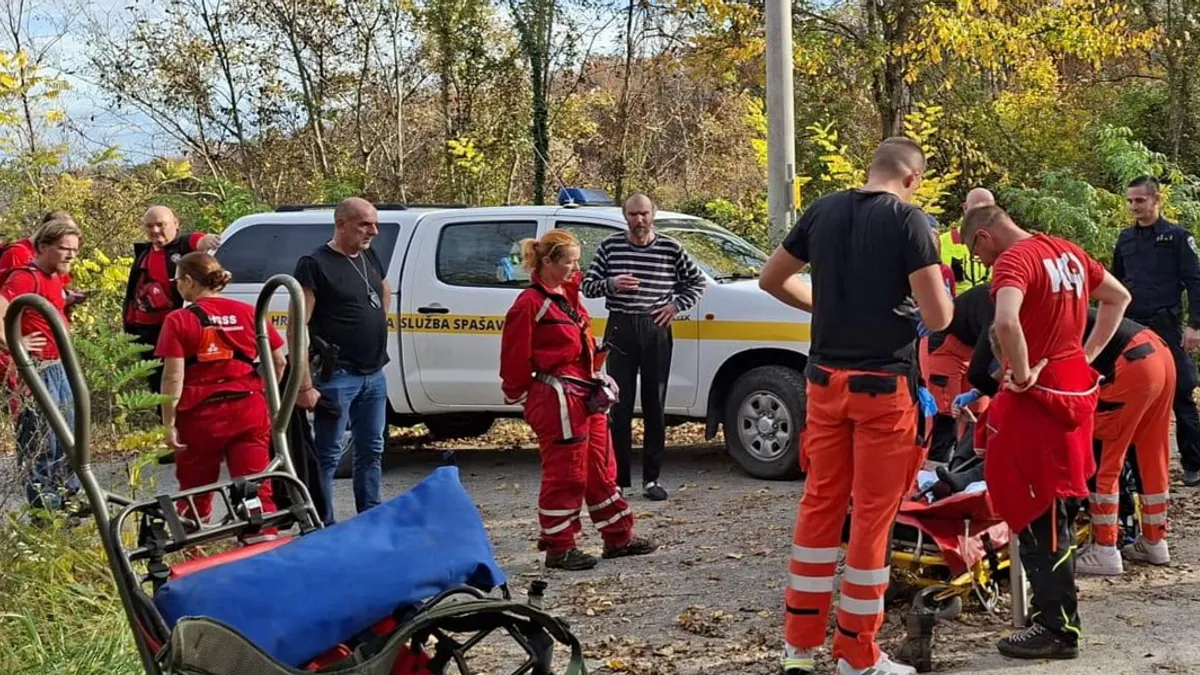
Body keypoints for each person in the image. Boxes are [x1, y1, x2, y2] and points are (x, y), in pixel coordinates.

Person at [758, 137, 953, 675]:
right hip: (883, 390)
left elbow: (771, 279)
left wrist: (828, 304)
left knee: (819, 510)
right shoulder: (909, 223)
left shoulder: (822, 210)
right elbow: (937, 319)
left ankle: (798, 648)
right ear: (912, 178)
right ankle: (857, 655)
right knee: (871, 521)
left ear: (872, 168)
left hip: (823, 384)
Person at [960, 204, 1130, 660]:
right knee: (1059, 506)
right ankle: (1053, 619)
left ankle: (1056, 628)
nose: (989, 268)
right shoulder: (1069, 252)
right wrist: (1085, 355)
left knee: (1038, 510)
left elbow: (1006, 320)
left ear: (983, 239)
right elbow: (1118, 298)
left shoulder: (1015, 261)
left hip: (1037, 400)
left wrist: (1019, 371)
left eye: (983, 259)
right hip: (1072, 392)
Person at [965, 308, 1174, 576]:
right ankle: (1155, 540)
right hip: (1158, 353)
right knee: (1152, 453)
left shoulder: (1028, 328)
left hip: (1125, 366)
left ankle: (1105, 549)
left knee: (1103, 458)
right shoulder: (1047, 306)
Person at [500, 229, 657, 570]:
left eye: (576, 260)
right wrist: (520, 393)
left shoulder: (568, 293)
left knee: (601, 468)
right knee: (566, 473)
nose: (576, 267)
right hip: (557, 398)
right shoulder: (529, 304)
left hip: (585, 394)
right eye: (569, 261)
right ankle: (559, 547)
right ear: (547, 262)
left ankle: (619, 537)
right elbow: (514, 357)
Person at [580, 192, 707, 501]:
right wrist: (611, 283)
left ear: (654, 214)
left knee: (655, 405)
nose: (639, 220)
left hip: (655, 329)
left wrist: (675, 306)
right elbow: (587, 285)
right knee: (619, 407)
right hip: (621, 326)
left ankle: (652, 479)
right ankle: (619, 480)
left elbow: (697, 283)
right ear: (625, 215)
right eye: (634, 214)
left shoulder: (670, 247)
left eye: (645, 213)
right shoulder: (610, 246)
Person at [155, 252, 287, 536]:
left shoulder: (178, 320)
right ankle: (261, 548)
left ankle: (195, 554)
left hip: (200, 417)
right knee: (255, 488)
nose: (176, 285)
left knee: (195, 494)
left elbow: (173, 376)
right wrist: (262, 393)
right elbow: (279, 360)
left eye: (177, 280)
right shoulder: (249, 311)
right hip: (248, 409)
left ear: (189, 281)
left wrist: (169, 423)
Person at [294, 197, 391, 525]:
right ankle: (322, 522)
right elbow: (297, 325)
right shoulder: (314, 264)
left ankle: (370, 513)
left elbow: (382, 290)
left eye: (374, 224)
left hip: (374, 373)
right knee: (329, 453)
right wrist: (304, 384)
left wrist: (377, 322)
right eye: (365, 224)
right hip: (338, 376)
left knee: (373, 448)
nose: (373, 231)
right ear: (341, 224)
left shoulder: (369, 255)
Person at [1111, 176, 1200, 486]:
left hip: (1167, 324)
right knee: (1132, 396)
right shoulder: (1125, 240)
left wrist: (1195, 326)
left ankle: (1193, 462)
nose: (1135, 206)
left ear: (1156, 200)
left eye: (1140, 200)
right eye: (1130, 201)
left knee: (1182, 392)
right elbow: (1116, 286)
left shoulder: (1177, 237)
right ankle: (1134, 470)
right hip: (1133, 328)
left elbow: (1195, 283)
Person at [0, 218, 83, 512]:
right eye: (64, 249)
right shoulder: (25, 276)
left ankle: (68, 505)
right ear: (44, 246)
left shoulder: (54, 276)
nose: (71, 255)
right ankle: (45, 514)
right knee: (42, 445)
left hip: (60, 367)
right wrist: (14, 343)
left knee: (70, 441)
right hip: (37, 371)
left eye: (74, 249)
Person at [122, 206, 221, 398]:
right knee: (157, 388)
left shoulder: (183, 246)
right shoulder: (144, 253)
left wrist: (208, 240)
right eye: (150, 226)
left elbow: (199, 241)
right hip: (148, 334)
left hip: (178, 331)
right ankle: (164, 422)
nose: (155, 230)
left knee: (180, 384)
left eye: (161, 224)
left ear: (175, 223)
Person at [919, 283, 993, 461]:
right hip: (947, 345)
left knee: (979, 410)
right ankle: (935, 470)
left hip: (973, 348)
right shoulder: (997, 308)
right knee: (947, 413)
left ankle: (966, 466)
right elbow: (988, 368)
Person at [939, 188, 995, 295]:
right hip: (956, 306)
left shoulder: (998, 241)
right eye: (979, 208)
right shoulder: (943, 241)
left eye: (989, 208)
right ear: (965, 208)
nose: (984, 214)